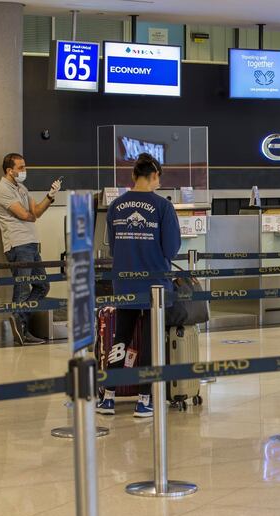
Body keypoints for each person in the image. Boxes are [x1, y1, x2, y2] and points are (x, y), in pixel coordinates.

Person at [97, 153, 181, 418]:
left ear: (133, 176)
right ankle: (144, 400)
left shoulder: (116, 206)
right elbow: (172, 248)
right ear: (155, 176)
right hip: (155, 285)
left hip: (124, 282)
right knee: (149, 342)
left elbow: (112, 242)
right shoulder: (162, 207)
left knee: (120, 338)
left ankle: (108, 396)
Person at [0, 153, 62, 346]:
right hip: (18, 244)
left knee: (42, 286)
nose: (24, 171)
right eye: (21, 167)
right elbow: (26, 215)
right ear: (10, 170)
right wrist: (31, 215)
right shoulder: (2, 190)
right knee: (22, 288)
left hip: (31, 243)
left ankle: (19, 320)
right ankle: (21, 328)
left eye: (24, 167)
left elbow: (37, 211)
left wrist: (50, 195)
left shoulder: (21, 188)